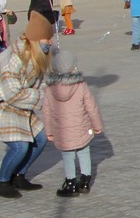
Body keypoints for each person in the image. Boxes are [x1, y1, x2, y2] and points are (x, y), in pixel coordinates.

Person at [0, 12, 53, 198]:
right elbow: (13, 93)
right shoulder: (14, 58)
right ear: (35, 39)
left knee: (41, 139)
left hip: (19, 105)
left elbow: (42, 81)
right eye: (46, 39)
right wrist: (42, 97)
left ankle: (19, 175)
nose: (49, 43)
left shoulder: (36, 55)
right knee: (20, 146)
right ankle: (3, 182)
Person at [42, 47, 103, 197]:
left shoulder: (50, 89)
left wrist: (49, 132)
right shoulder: (81, 86)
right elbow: (91, 107)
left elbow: (46, 111)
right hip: (81, 128)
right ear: (72, 67)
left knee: (68, 156)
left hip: (62, 131)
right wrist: (97, 126)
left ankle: (70, 183)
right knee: (84, 151)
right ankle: (85, 181)